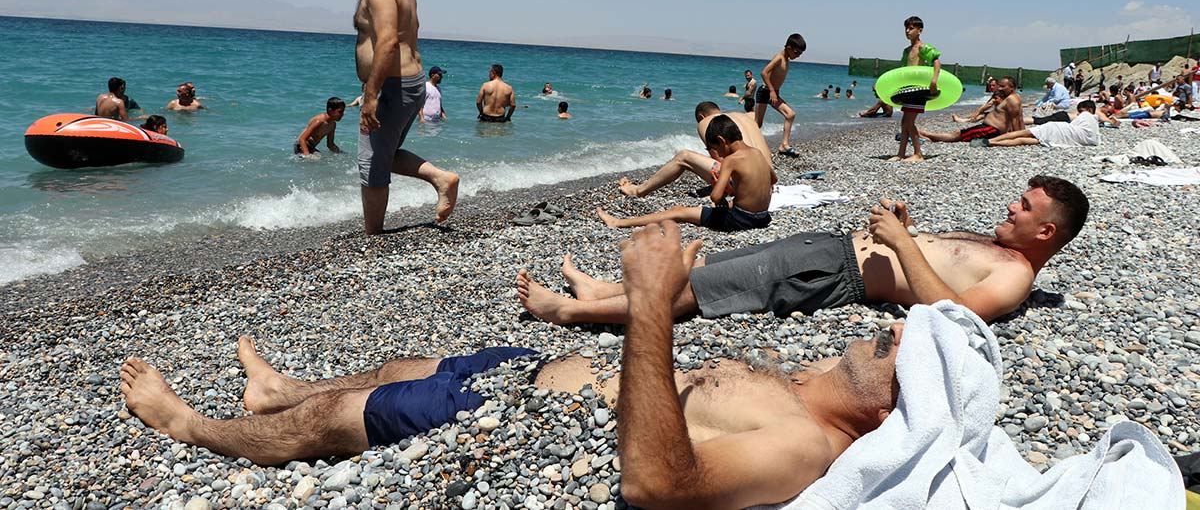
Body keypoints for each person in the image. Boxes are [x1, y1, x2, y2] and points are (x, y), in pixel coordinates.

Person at [120, 220, 905, 509]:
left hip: (527, 420)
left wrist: (650, 302)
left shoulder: (804, 444)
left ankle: (189, 423)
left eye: (909, 351)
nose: (896, 330)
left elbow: (658, 481)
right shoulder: (808, 387)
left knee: (334, 421)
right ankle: (278, 388)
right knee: (397, 365)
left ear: (889, 407)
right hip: (542, 372)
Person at [518, 175, 1087, 326]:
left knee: (701, 289)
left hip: (833, 273)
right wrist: (907, 232)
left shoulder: (1014, 276)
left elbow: (952, 313)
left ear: (1046, 234)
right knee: (713, 264)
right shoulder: (995, 244)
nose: (1011, 207)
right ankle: (604, 290)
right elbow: (936, 266)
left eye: (1024, 208)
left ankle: (570, 311)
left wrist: (897, 243)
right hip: (829, 247)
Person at [351, 0, 460, 233]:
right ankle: (440, 178)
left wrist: (371, 96)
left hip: (393, 86)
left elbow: (388, 42)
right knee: (386, 155)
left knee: (372, 164)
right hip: (408, 82)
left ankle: (373, 234)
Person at [598, 115, 772, 232]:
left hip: (741, 220)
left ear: (721, 140)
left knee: (678, 212)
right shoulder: (757, 153)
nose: (718, 155)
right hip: (763, 217)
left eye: (716, 149)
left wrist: (723, 202)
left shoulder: (731, 160)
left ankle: (618, 222)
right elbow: (773, 179)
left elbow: (716, 196)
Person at [617, 101, 776, 198]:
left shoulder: (707, 123)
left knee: (684, 156)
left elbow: (721, 161)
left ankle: (638, 190)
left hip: (746, 184)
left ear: (701, 116)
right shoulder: (745, 117)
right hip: (766, 180)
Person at [891, 16, 941, 162]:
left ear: (920, 31)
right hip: (909, 90)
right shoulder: (906, 51)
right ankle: (901, 153)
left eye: (911, 28)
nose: (908, 31)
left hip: (919, 91)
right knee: (904, 122)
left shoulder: (922, 47)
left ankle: (918, 154)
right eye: (906, 28)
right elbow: (903, 70)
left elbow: (937, 62)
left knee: (908, 122)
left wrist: (934, 81)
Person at [921, 76, 1023, 144]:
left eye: (1003, 86)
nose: (1000, 88)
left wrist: (1018, 137)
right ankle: (928, 137)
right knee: (959, 133)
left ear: (1012, 87)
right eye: (1000, 86)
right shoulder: (1013, 97)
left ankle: (926, 134)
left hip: (991, 130)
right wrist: (1023, 134)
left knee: (957, 134)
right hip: (989, 128)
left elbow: (1016, 119)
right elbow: (1019, 117)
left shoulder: (1012, 99)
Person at [754, 33, 804, 155]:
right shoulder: (779, 58)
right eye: (797, 52)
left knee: (790, 115)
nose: (798, 56)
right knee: (757, 124)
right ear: (788, 48)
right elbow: (764, 72)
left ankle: (784, 145)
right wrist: (771, 90)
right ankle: (748, 145)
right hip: (765, 92)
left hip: (774, 93)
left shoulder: (786, 59)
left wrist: (774, 92)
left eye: (800, 53)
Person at [983, 101, 1101, 148]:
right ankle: (993, 143)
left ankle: (992, 140)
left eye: (1080, 111)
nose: (1078, 113)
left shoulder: (1086, 115)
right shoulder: (1095, 124)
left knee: (1022, 133)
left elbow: (1073, 126)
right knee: (1025, 140)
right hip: (1063, 138)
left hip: (1056, 128)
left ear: (1089, 110)